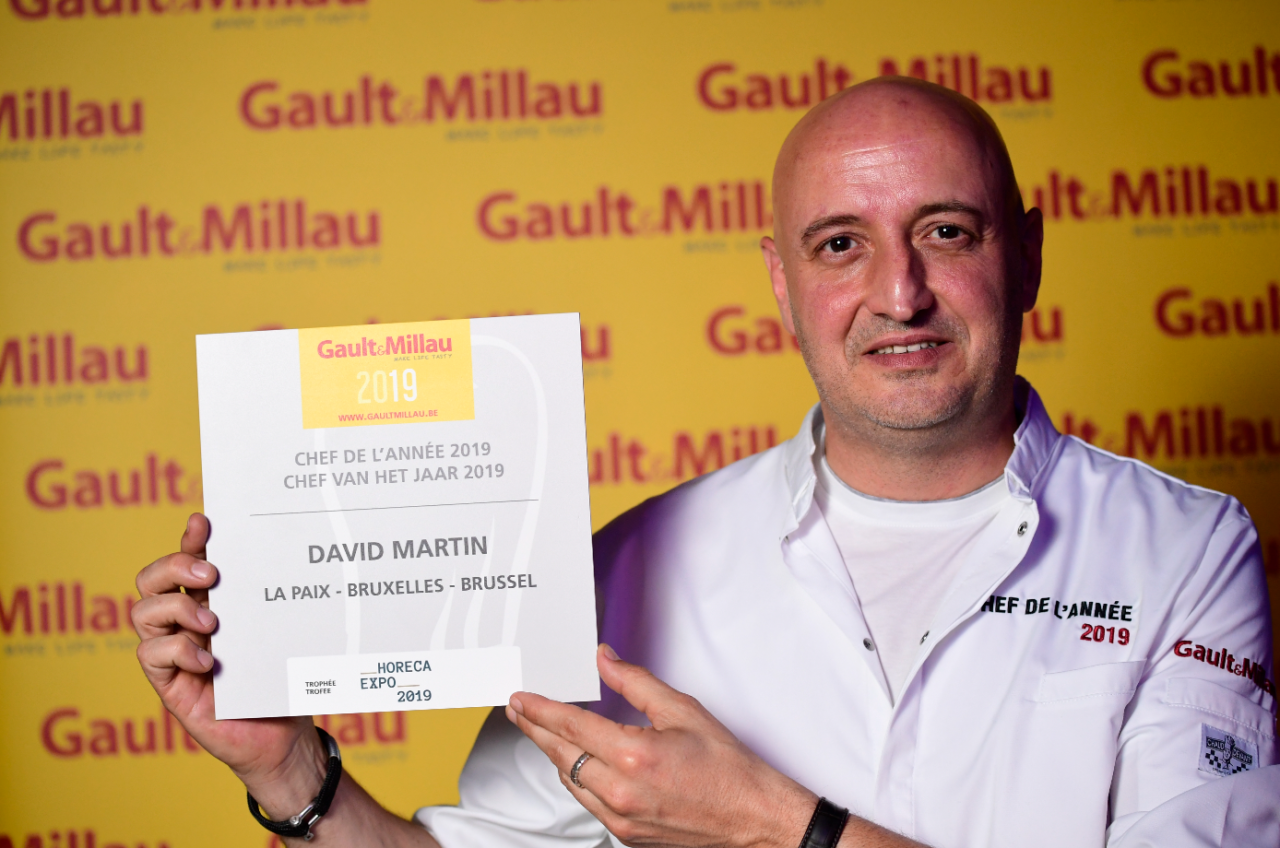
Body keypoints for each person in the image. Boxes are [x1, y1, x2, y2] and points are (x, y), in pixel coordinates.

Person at [132, 77, 1278, 848]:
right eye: (840, 244)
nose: (898, 292)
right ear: (781, 283)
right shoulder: (629, 564)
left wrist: (776, 826)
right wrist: (287, 772)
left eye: (945, 231)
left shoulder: (1185, 548)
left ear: (1023, 252)